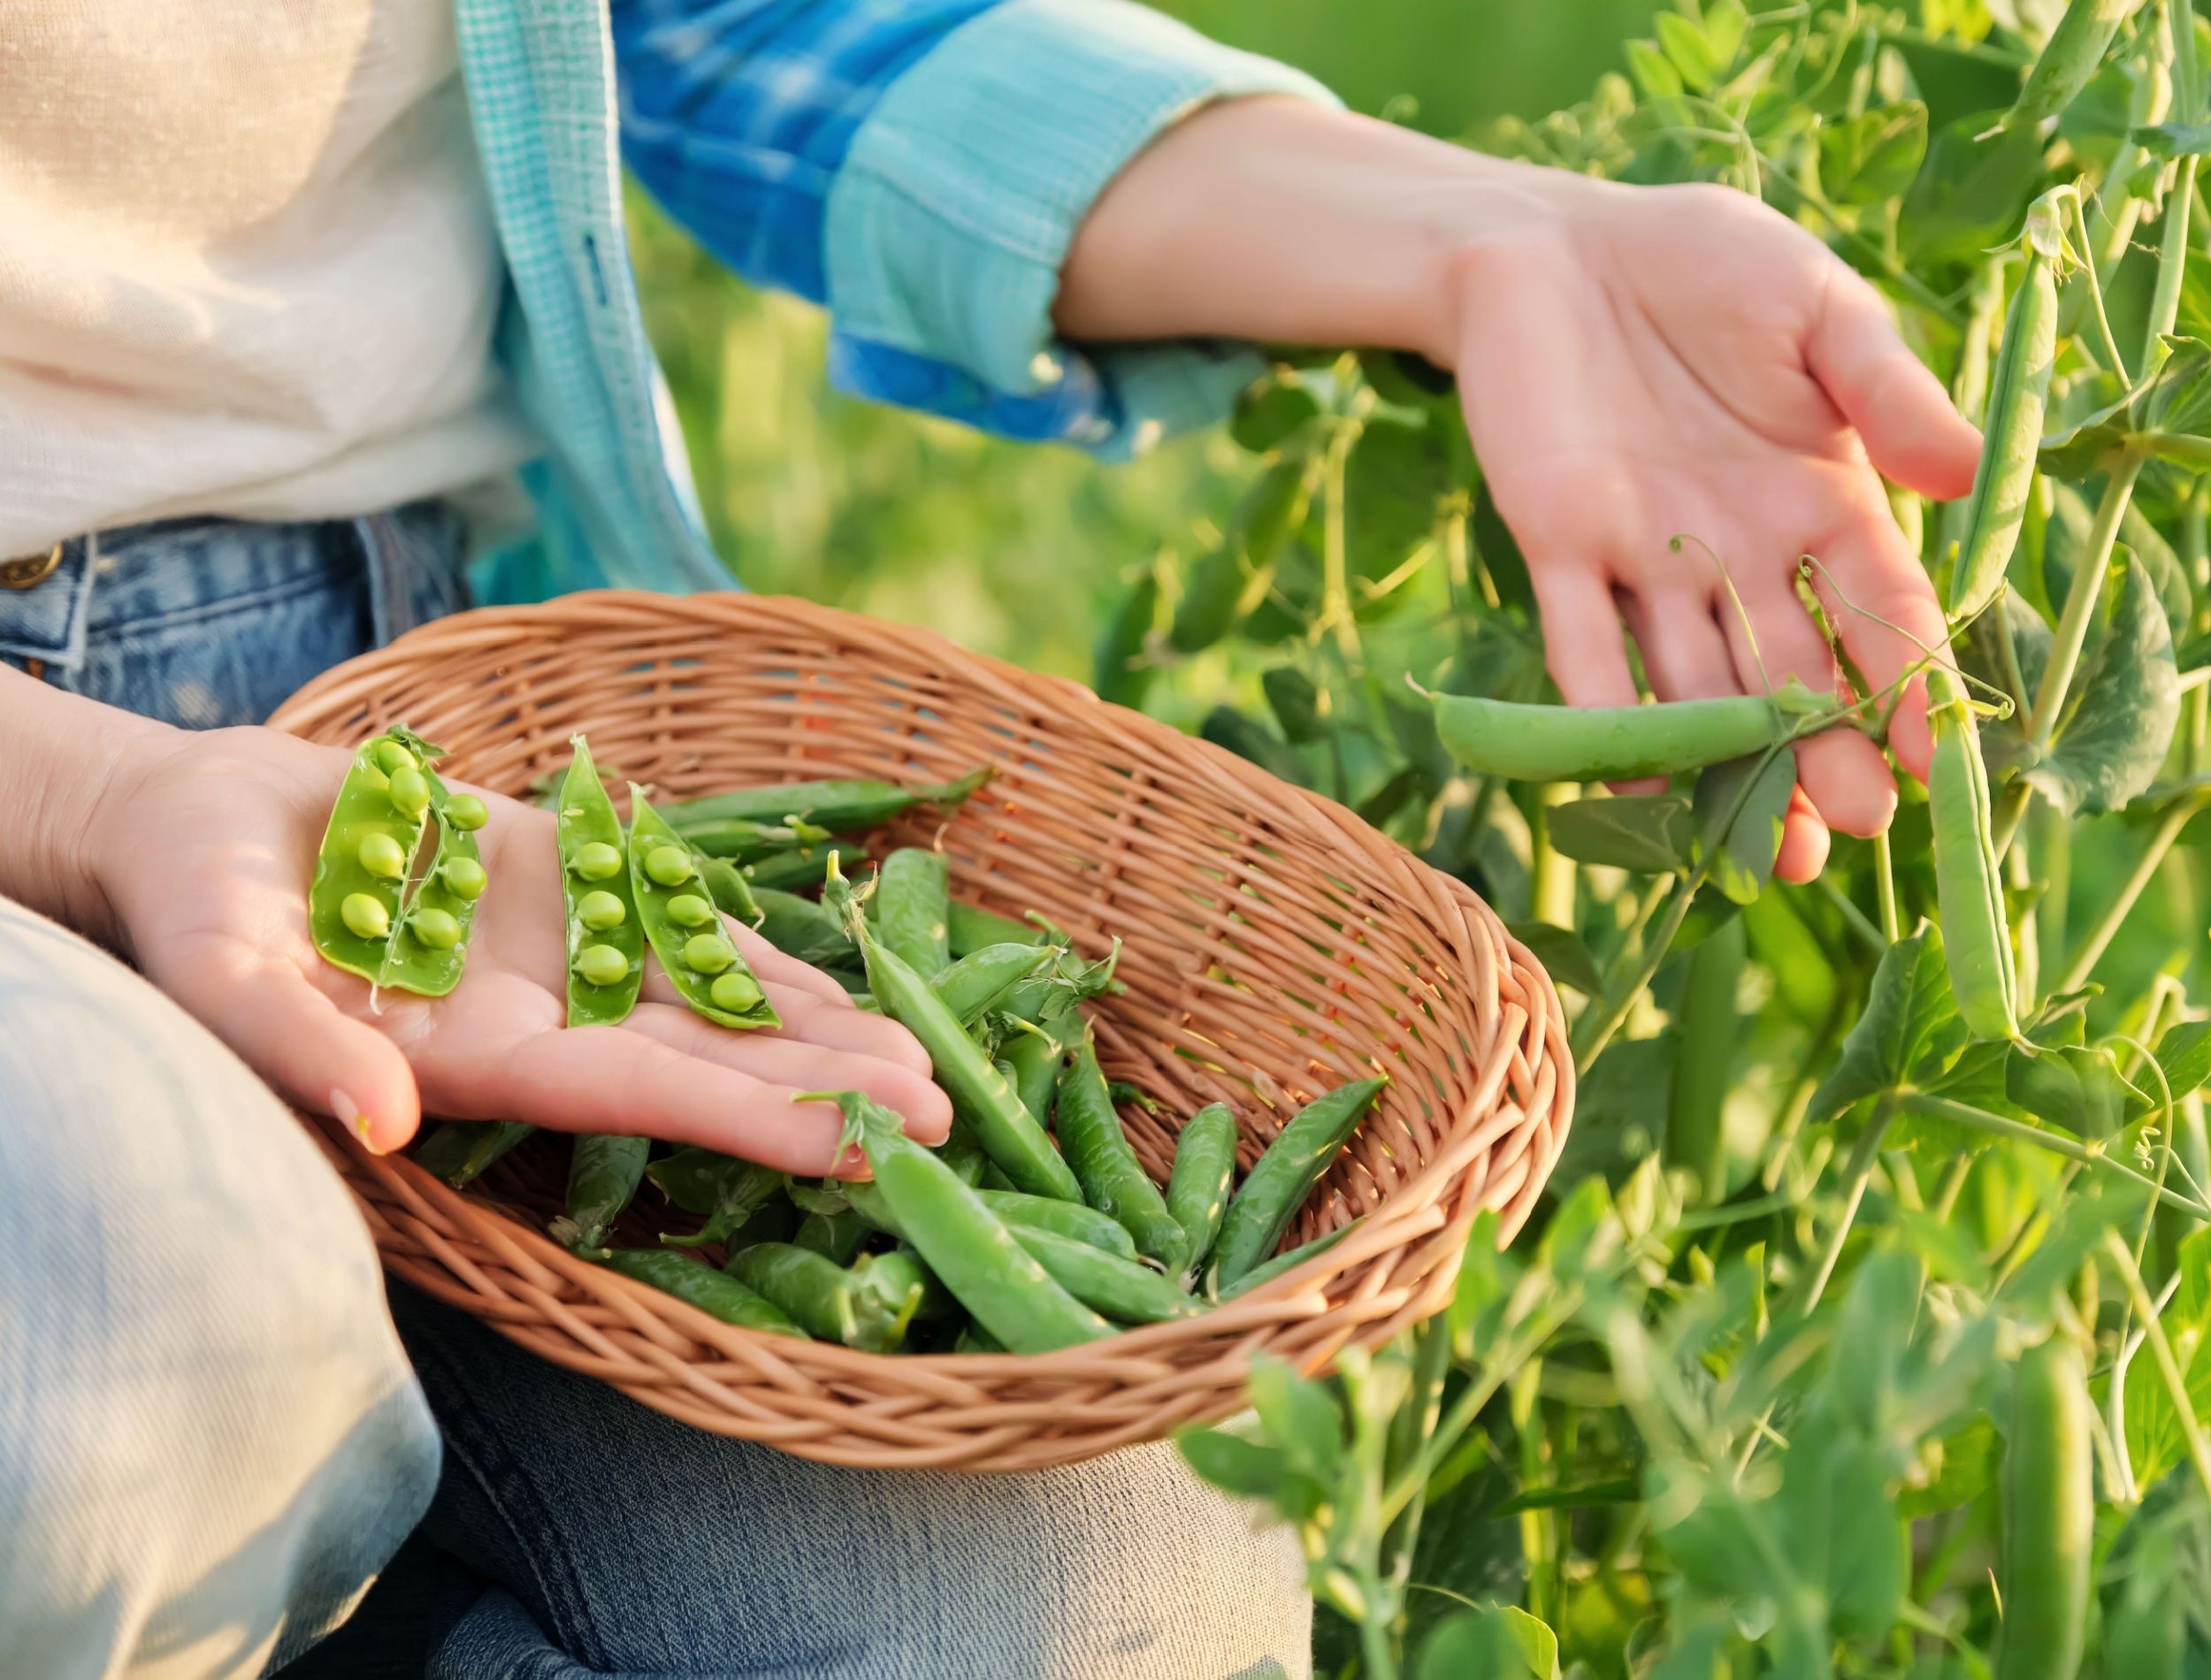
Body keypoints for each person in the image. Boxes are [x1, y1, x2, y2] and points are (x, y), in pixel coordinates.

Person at [0, 1, 1983, 1675]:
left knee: (1098, 1608)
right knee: (121, 1338)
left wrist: (1483, 236)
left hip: (418, 716)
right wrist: (85, 791)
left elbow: (749, 28)